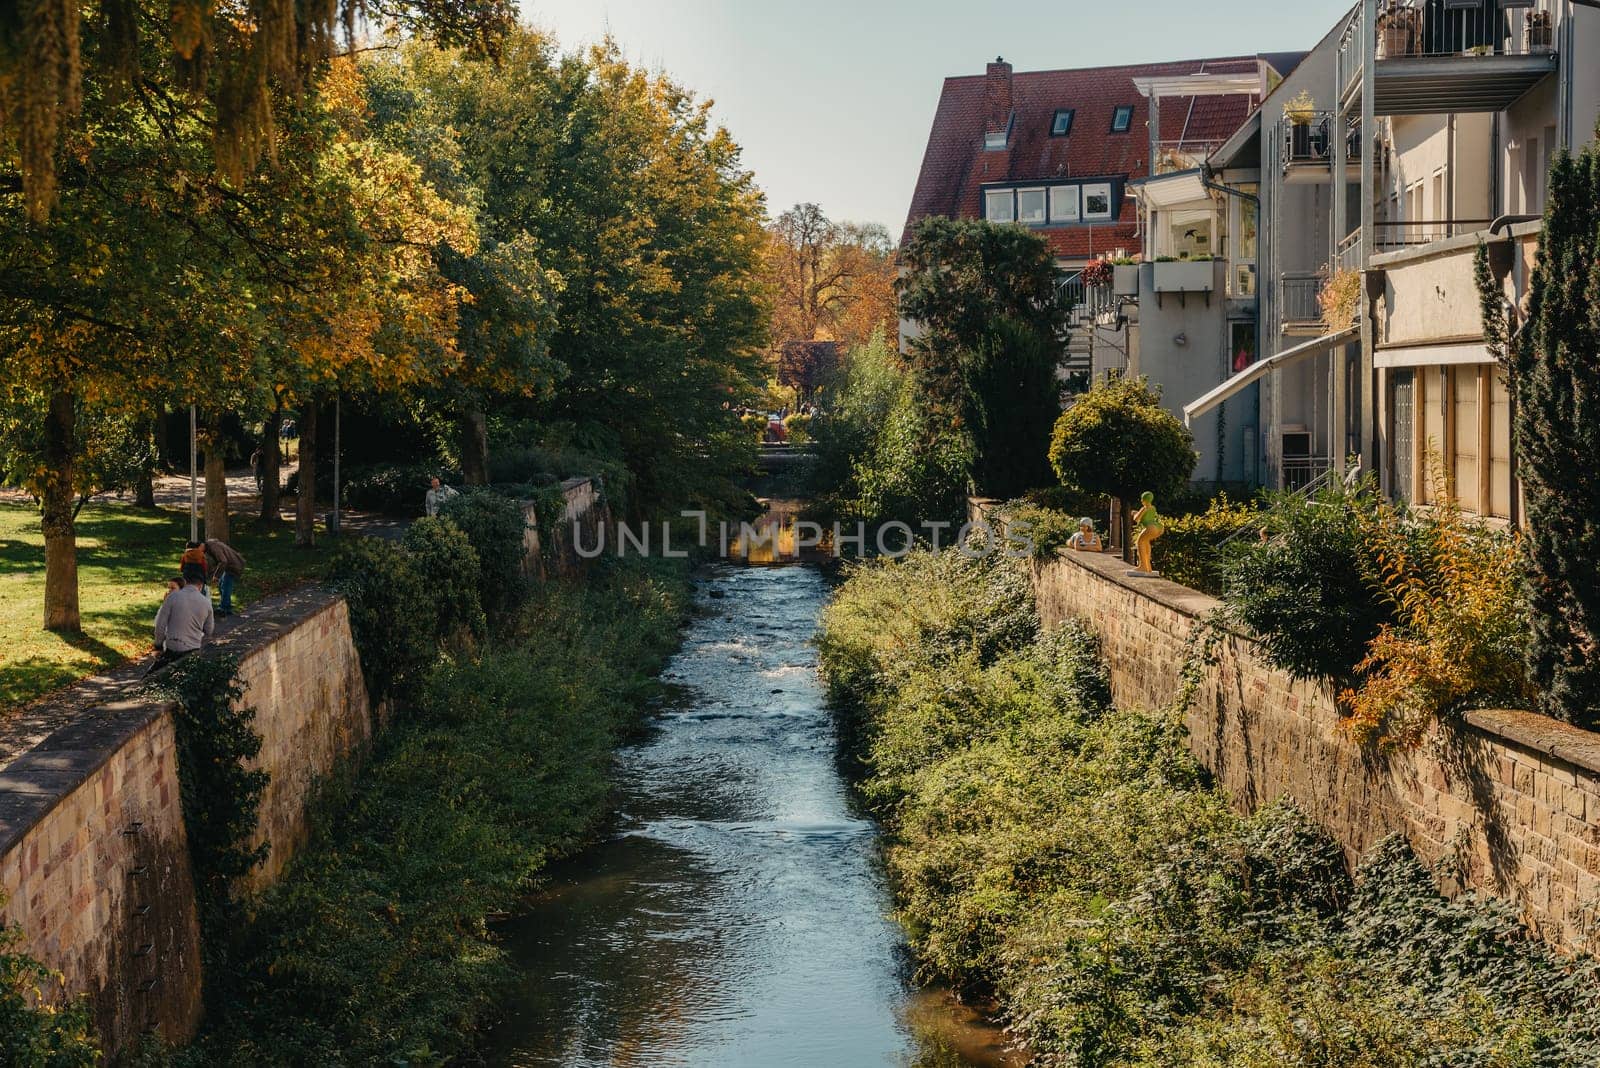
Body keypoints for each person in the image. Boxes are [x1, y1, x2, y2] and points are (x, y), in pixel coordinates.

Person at [146, 564, 214, 676]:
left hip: (172, 648)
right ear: (200, 586)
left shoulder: (172, 597)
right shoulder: (206, 603)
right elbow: (209, 630)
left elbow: (160, 625)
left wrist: (158, 646)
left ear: (185, 582)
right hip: (193, 649)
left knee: (150, 678)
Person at [203, 538, 246, 617]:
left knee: (225, 586)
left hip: (232, 566)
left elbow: (223, 561)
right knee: (222, 585)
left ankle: (224, 608)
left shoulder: (213, 546)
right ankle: (226, 606)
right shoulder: (211, 546)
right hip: (229, 566)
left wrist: (216, 576)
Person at [1129, 491, 1166, 575]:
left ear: (1144, 500)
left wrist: (1134, 513)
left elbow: (1136, 519)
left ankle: (1143, 566)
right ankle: (1148, 566)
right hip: (1158, 527)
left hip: (1151, 527)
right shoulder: (1153, 507)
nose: (1141, 501)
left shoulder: (1144, 508)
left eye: (1142, 499)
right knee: (1145, 542)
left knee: (1139, 542)